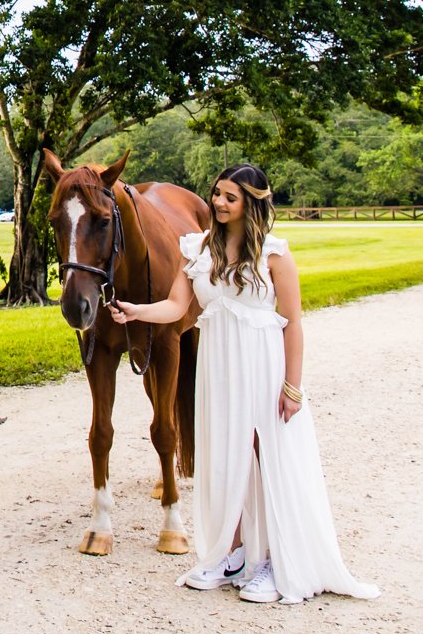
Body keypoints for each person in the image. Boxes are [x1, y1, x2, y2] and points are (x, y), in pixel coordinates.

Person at [105, 163, 382, 605]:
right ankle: (230, 554)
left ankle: (272, 560)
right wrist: (135, 311)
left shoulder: (274, 254)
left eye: (230, 198)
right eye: (216, 193)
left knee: (264, 456)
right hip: (220, 367)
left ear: (251, 204)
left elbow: (292, 325)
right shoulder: (196, 249)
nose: (217, 202)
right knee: (224, 456)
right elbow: (177, 306)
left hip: (262, 365)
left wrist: (293, 386)